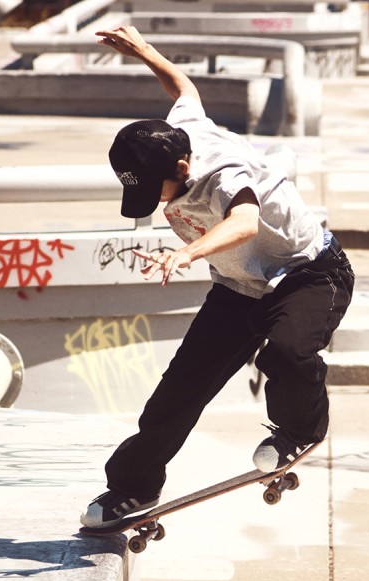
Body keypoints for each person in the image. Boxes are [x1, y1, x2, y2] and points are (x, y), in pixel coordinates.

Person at [81, 25, 353, 528]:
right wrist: (143, 50)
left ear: (183, 165)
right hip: (239, 288)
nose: (158, 201)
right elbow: (185, 89)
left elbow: (245, 221)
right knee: (178, 391)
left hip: (310, 273)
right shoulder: (180, 131)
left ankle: (300, 430)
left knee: (288, 350)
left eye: (158, 190)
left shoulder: (223, 173)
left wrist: (187, 257)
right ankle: (132, 489)